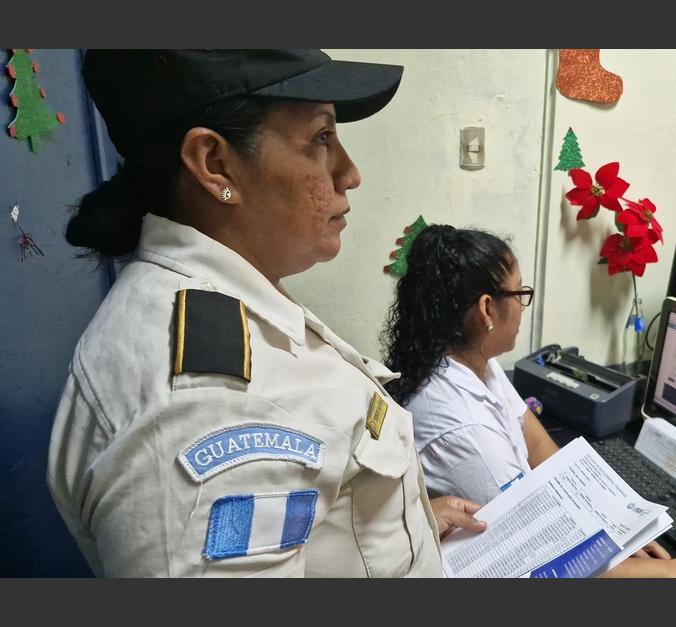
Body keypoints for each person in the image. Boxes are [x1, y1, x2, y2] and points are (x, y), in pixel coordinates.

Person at [46, 49, 485, 578]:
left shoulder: (237, 304)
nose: (349, 173)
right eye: (322, 138)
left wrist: (395, 524)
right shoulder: (204, 406)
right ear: (214, 163)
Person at [381, 224, 676, 577]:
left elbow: (534, 439)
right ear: (487, 309)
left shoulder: (470, 357)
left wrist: (609, 520)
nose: (522, 306)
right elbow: (543, 555)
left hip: (536, 535)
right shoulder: (466, 433)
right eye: (520, 294)